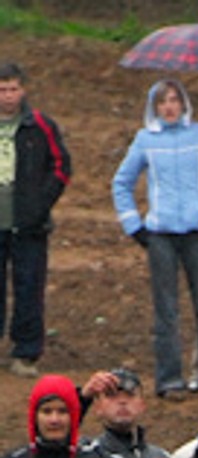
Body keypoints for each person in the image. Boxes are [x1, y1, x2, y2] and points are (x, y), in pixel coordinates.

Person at [112, 79, 198, 401]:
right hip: (162, 235)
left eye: (173, 100)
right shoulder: (146, 140)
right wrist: (134, 226)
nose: (169, 107)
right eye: (162, 102)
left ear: (183, 104)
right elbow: (121, 182)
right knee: (166, 309)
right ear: (154, 107)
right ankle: (169, 379)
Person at [0, 61, 70, 379]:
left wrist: (41, 204)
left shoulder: (40, 125)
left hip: (29, 223)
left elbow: (61, 166)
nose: (8, 96)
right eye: (2, 90)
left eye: (13, 89)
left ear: (23, 90)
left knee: (29, 286)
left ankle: (26, 352)